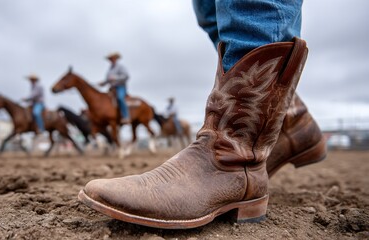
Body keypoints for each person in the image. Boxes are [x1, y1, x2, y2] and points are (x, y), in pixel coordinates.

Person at [79, 0, 326, 229]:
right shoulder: (110, 68)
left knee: (251, 9)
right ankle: (289, 119)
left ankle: (233, 161)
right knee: (210, 10)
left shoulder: (119, 68)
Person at [99, 52, 131, 124]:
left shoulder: (121, 67)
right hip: (112, 88)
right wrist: (103, 83)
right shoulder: (109, 70)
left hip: (120, 87)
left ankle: (126, 116)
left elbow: (126, 76)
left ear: (116, 59)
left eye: (112, 58)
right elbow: (108, 80)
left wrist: (115, 78)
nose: (111, 60)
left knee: (120, 98)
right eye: (110, 59)